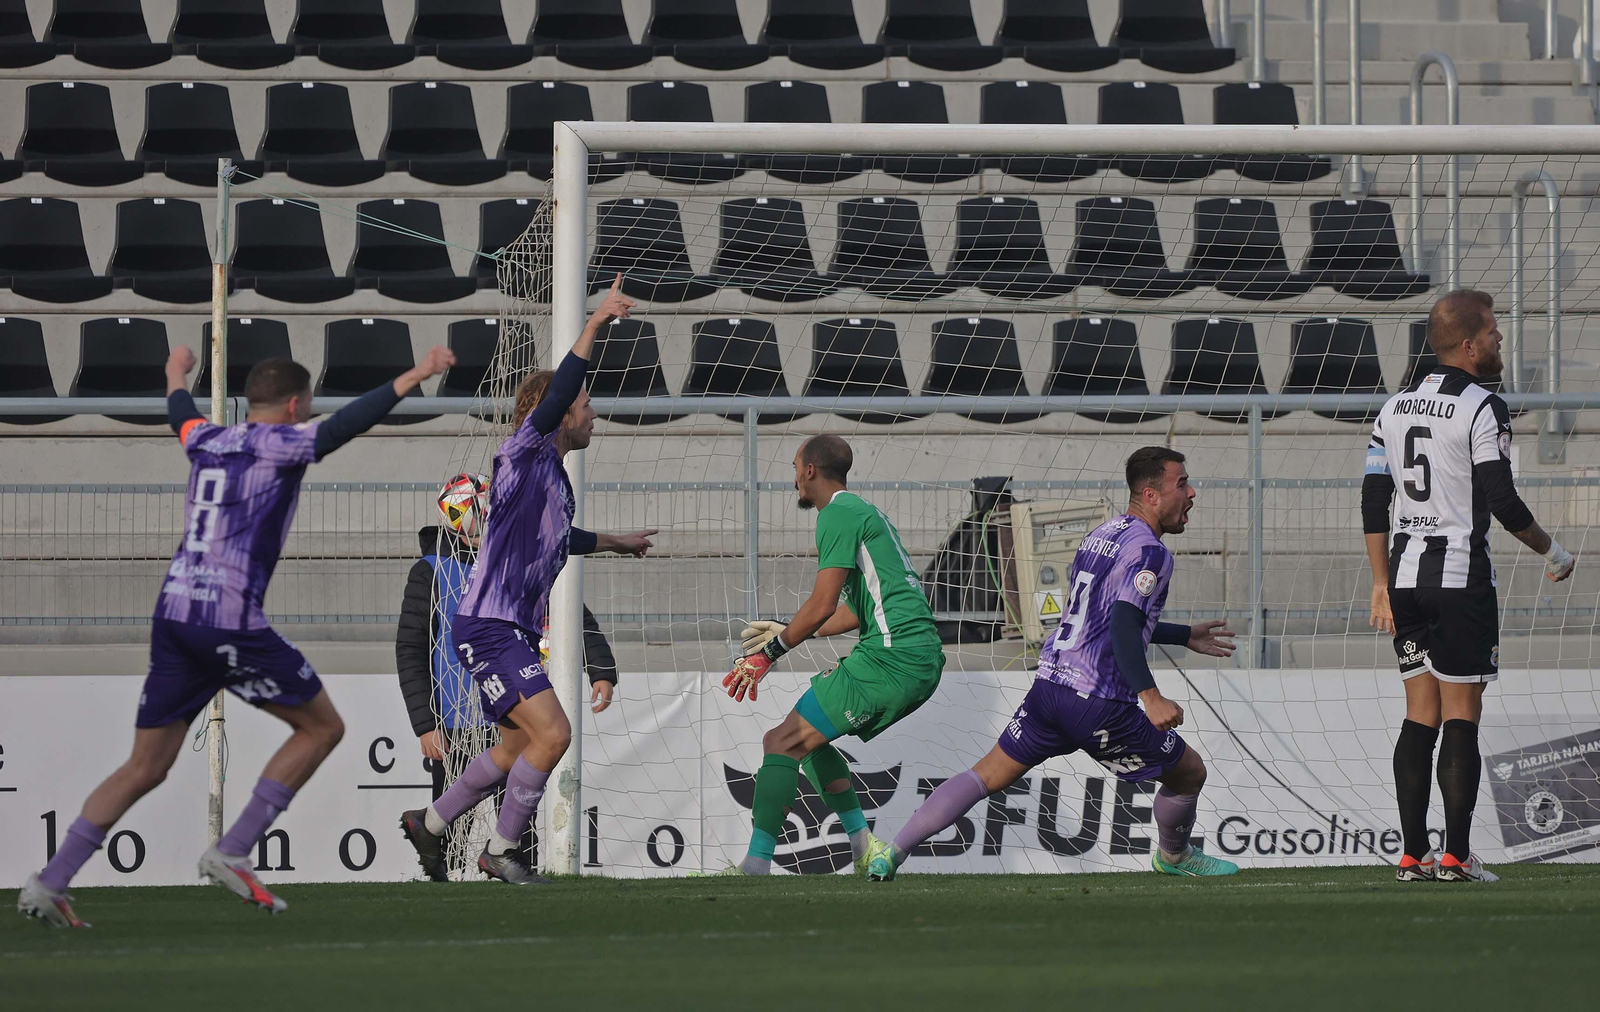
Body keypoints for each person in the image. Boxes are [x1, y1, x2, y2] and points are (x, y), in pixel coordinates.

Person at [18, 342, 455, 927]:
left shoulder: (208, 437)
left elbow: (180, 413)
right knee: (323, 726)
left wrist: (174, 373)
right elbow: (345, 426)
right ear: (296, 405)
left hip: (174, 614)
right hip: (227, 620)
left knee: (145, 766)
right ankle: (233, 848)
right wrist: (417, 374)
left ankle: (50, 882)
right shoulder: (282, 443)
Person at [867, 447, 1239, 881]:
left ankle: (891, 853)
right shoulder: (1152, 553)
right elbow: (1121, 624)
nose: (1191, 493)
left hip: (1049, 689)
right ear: (1152, 495)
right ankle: (1174, 857)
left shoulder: (1102, 534)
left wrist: (1182, 635)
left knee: (983, 775)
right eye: (1182, 484)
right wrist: (1150, 697)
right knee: (1190, 772)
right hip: (1097, 702)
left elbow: (1099, 619)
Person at [399, 275, 655, 885]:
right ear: (560, 412)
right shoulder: (523, 453)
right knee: (557, 733)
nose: (593, 412)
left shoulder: (555, 482)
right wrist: (594, 325)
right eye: (585, 404)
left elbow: (556, 541)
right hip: (490, 626)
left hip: (501, 627)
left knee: (515, 748)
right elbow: (564, 385)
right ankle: (501, 850)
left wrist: (614, 542)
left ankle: (430, 825)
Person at [1363, 289, 1575, 884]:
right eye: (1492, 332)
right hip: (1460, 578)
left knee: (1418, 715)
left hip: (1404, 580)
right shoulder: (1483, 406)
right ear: (1467, 344)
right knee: (1461, 714)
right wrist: (1553, 552)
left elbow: (1374, 501)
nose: (1499, 340)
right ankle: (1455, 856)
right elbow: (1503, 502)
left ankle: (1412, 857)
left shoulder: (1394, 408)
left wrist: (1380, 583)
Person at [712, 434, 945, 876]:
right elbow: (857, 610)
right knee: (813, 741)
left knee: (779, 742)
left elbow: (821, 604)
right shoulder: (866, 512)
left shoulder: (835, 514)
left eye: (795, 467)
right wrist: (787, 629)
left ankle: (756, 866)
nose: (794, 477)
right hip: (914, 656)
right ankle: (863, 848)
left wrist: (771, 653)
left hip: (893, 659)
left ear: (809, 471)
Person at [393, 500, 622, 880]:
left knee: (519, 816)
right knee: (455, 831)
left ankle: (505, 863)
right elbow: (411, 647)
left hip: (519, 698)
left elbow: (572, 614)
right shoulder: (430, 571)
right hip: (453, 716)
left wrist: (600, 667)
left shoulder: (520, 561)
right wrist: (424, 722)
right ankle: (438, 877)